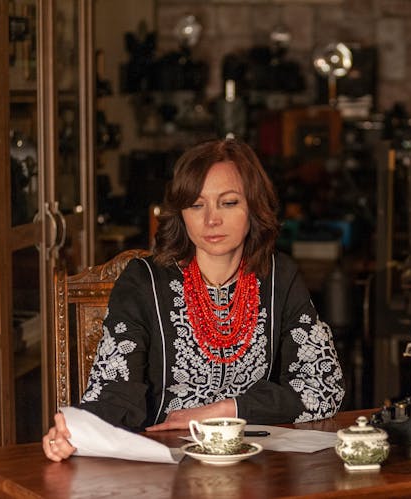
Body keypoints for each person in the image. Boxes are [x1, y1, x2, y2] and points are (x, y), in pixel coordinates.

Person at [43, 138, 345, 461]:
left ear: (254, 207)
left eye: (228, 203)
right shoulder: (143, 282)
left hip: (256, 468)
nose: (211, 220)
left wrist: (226, 410)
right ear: (182, 213)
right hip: (163, 468)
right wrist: (77, 431)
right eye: (197, 205)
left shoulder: (278, 276)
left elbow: (323, 386)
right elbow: (116, 393)